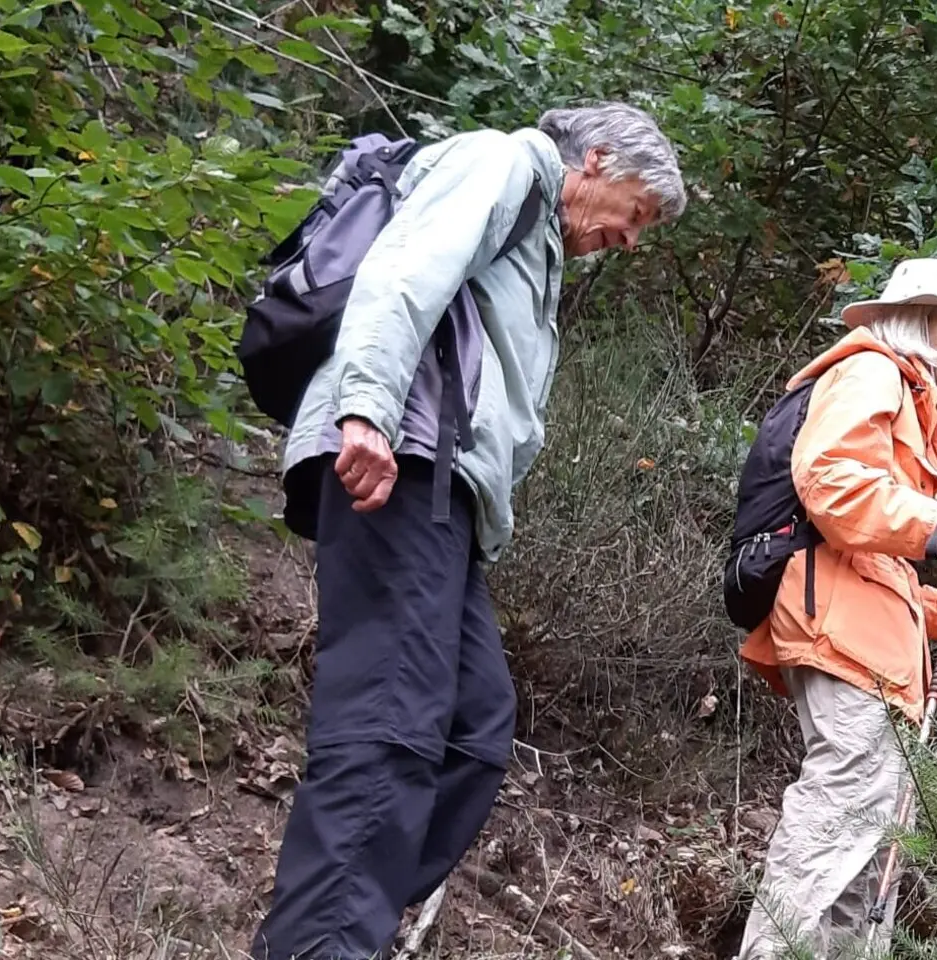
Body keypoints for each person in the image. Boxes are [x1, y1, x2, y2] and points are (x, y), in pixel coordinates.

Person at [250, 102, 686, 960]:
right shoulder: (501, 165)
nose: (630, 240)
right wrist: (367, 409)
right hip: (402, 458)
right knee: (390, 725)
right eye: (635, 213)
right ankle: (323, 944)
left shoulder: (540, 246)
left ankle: (340, 923)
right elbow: (405, 273)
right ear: (595, 160)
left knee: (475, 729)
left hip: (444, 500)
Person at [735, 257, 937, 959]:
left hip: (867, 637)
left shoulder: (908, 397)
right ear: (920, 320)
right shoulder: (872, 372)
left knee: (872, 842)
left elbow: (871, 558)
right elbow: (830, 485)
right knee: (844, 810)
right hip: (842, 637)